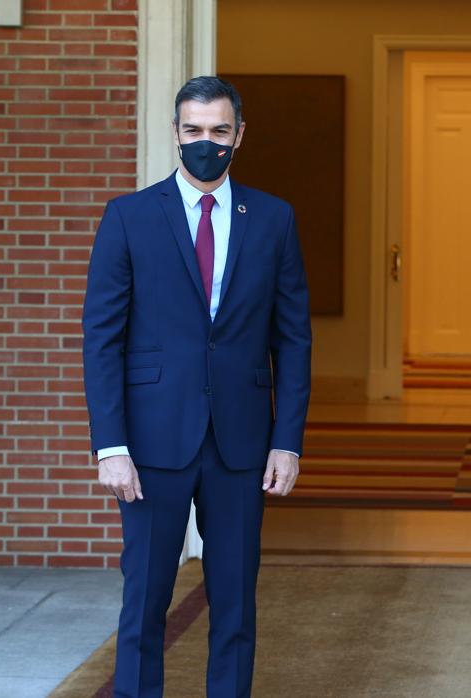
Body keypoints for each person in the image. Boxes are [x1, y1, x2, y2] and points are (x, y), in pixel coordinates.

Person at [82, 76, 311, 698]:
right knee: (145, 602)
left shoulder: (273, 218)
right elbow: (101, 339)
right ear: (175, 134)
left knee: (235, 603)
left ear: (239, 135)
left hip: (242, 443)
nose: (204, 142)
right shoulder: (129, 217)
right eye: (192, 131)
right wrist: (111, 447)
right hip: (151, 444)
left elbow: (293, 340)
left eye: (217, 131)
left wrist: (286, 441)